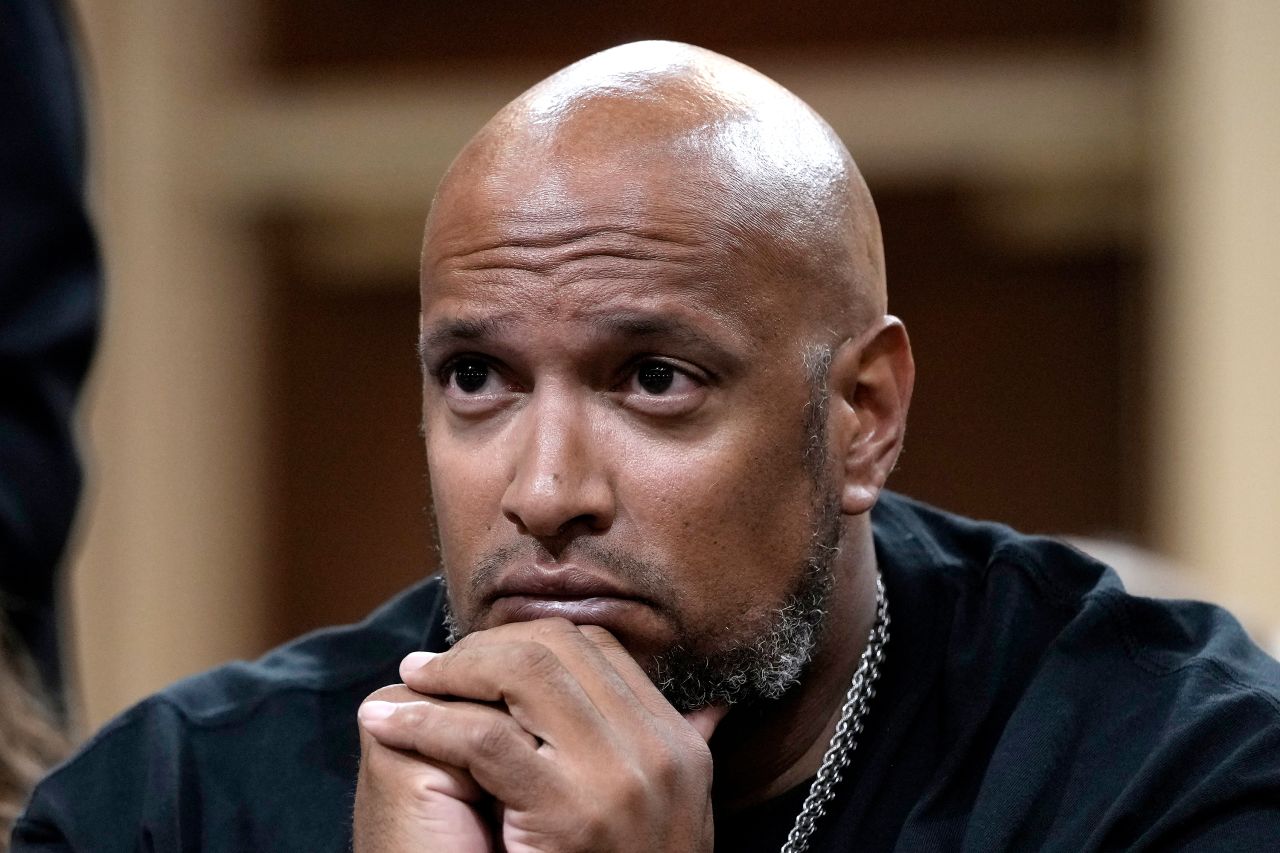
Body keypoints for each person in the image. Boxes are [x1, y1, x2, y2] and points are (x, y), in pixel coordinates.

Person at [14, 41, 1280, 852]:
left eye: (654, 379)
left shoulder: (1168, 774)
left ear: (861, 417)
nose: (545, 491)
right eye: (475, 378)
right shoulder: (172, 806)